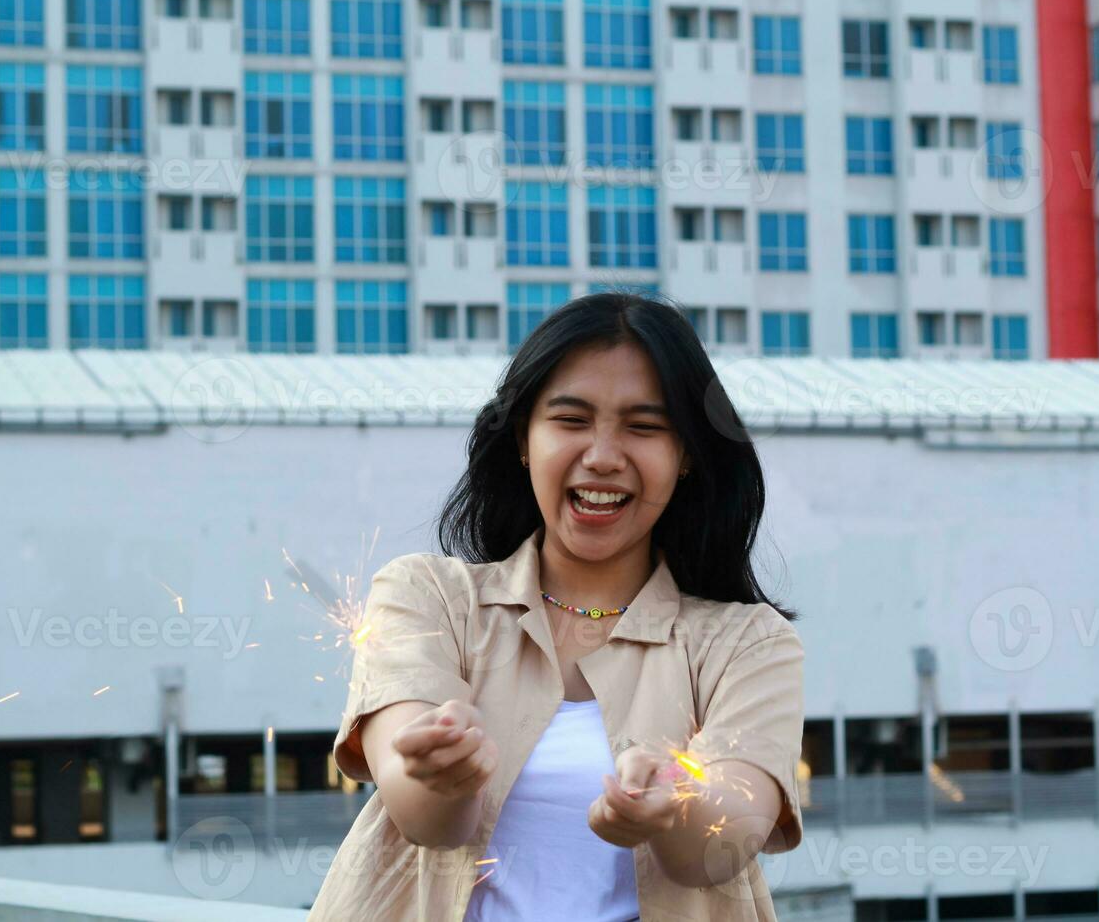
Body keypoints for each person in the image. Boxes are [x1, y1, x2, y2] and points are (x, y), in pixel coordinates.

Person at [307, 292, 805, 921]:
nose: (602, 455)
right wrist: (442, 776)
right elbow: (424, 818)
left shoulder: (747, 644)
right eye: (570, 420)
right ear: (523, 439)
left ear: (685, 458)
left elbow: (721, 847)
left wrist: (670, 806)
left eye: (645, 427)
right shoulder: (426, 598)